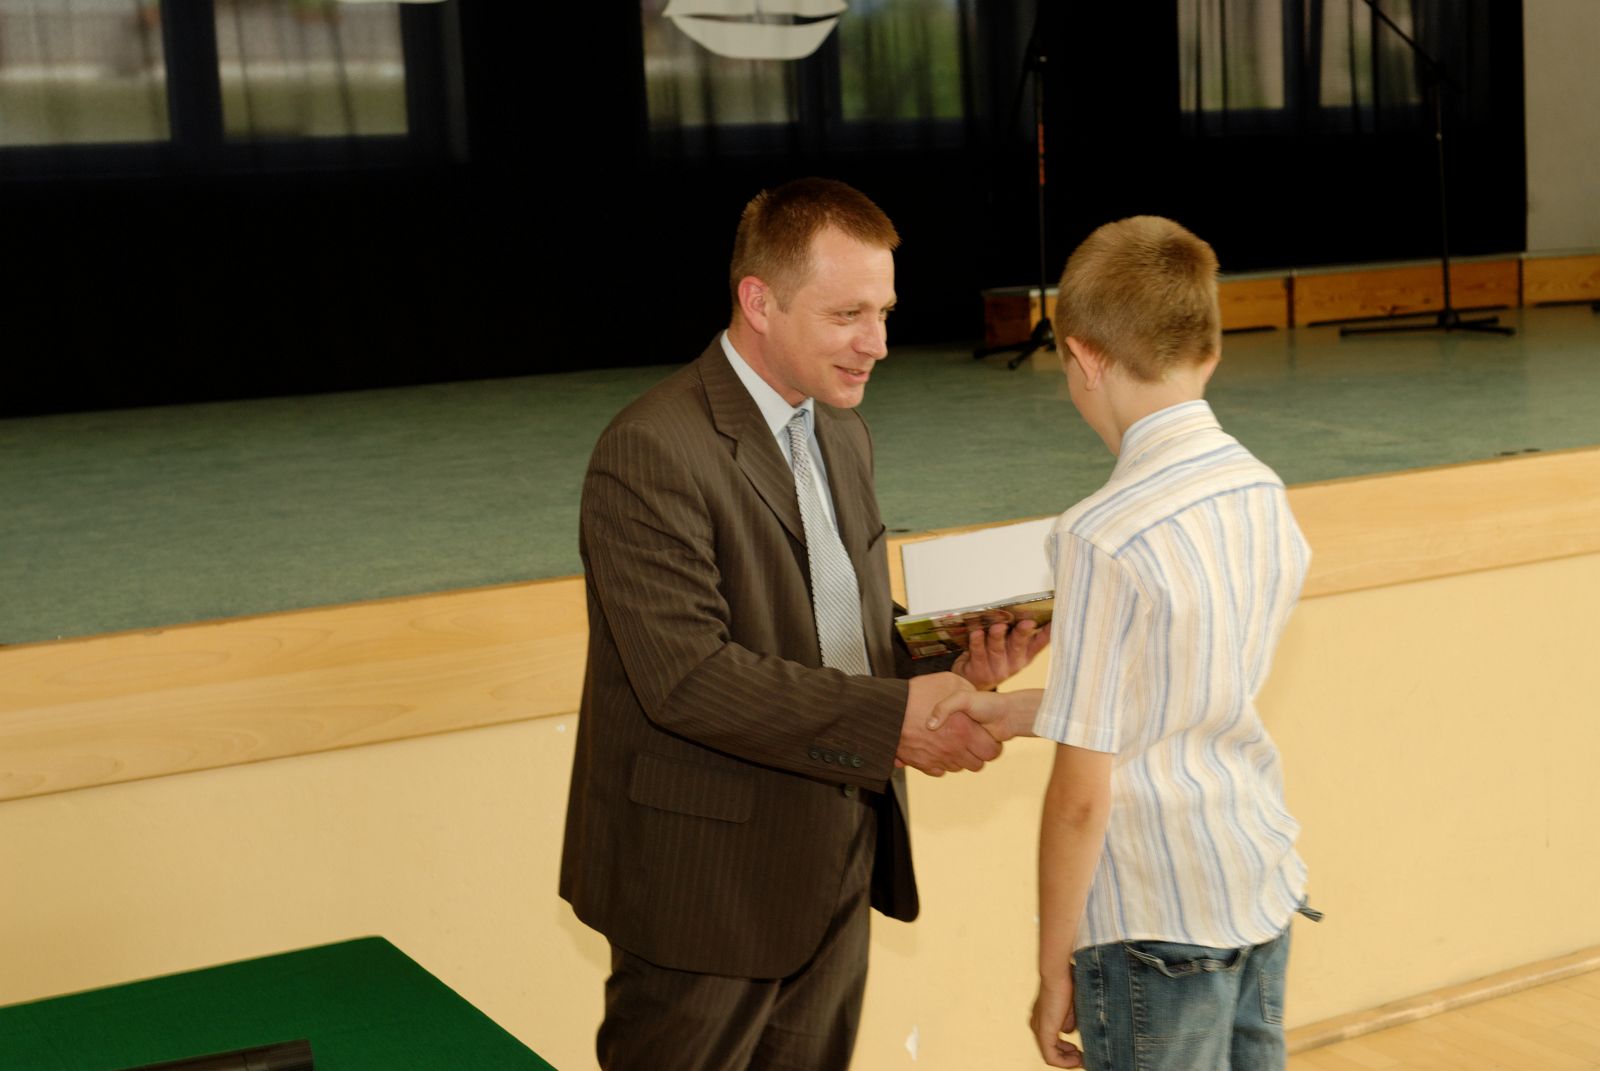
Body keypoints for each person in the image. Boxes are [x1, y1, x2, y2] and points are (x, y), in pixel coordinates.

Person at [560, 177, 1047, 1070]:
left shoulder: (841, 432)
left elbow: (836, 623)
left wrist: (949, 657)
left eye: (884, 312)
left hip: (838, 860)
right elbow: (688, 677)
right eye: (847, 314)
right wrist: (892, 721)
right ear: (759, 302)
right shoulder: (650, 449)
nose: (879, 343)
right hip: (703, 888)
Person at [930, 216, 1318, 1070]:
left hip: (1152, 914)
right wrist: (1020, 710)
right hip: (1255, 877)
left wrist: (1051, 966)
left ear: (1084, 357)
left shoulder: (1100, 534)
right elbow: (1182, 692)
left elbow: (1082, 797)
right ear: (1210, 349)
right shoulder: (1261, 488)